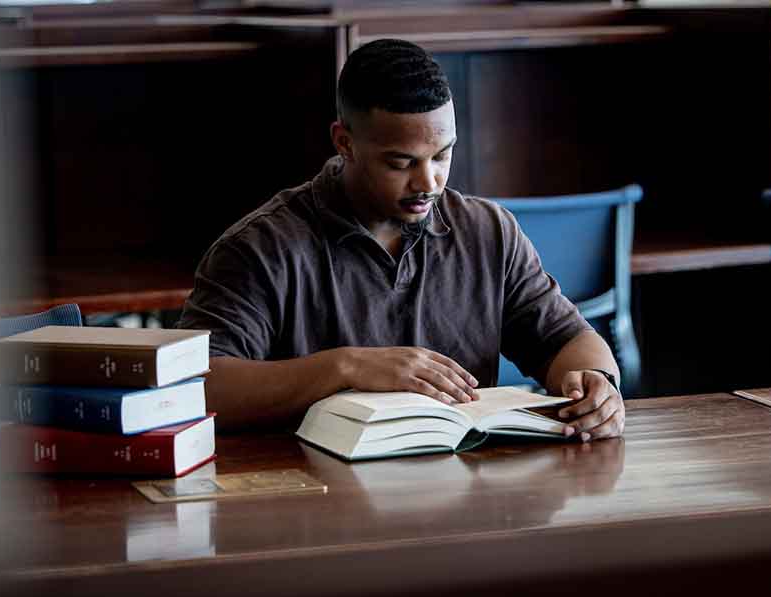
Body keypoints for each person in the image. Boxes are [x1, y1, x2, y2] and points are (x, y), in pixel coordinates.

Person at [177, 38, 624, 441]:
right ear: (344, 142)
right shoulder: (260, 248)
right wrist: (344, 367)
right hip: (318, 504)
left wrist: (595, 382)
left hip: (467, 497)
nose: (428, 182)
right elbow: (198, 387)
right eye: (401, 163)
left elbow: (566, 339)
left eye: (442, 155)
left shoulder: (489, 232)